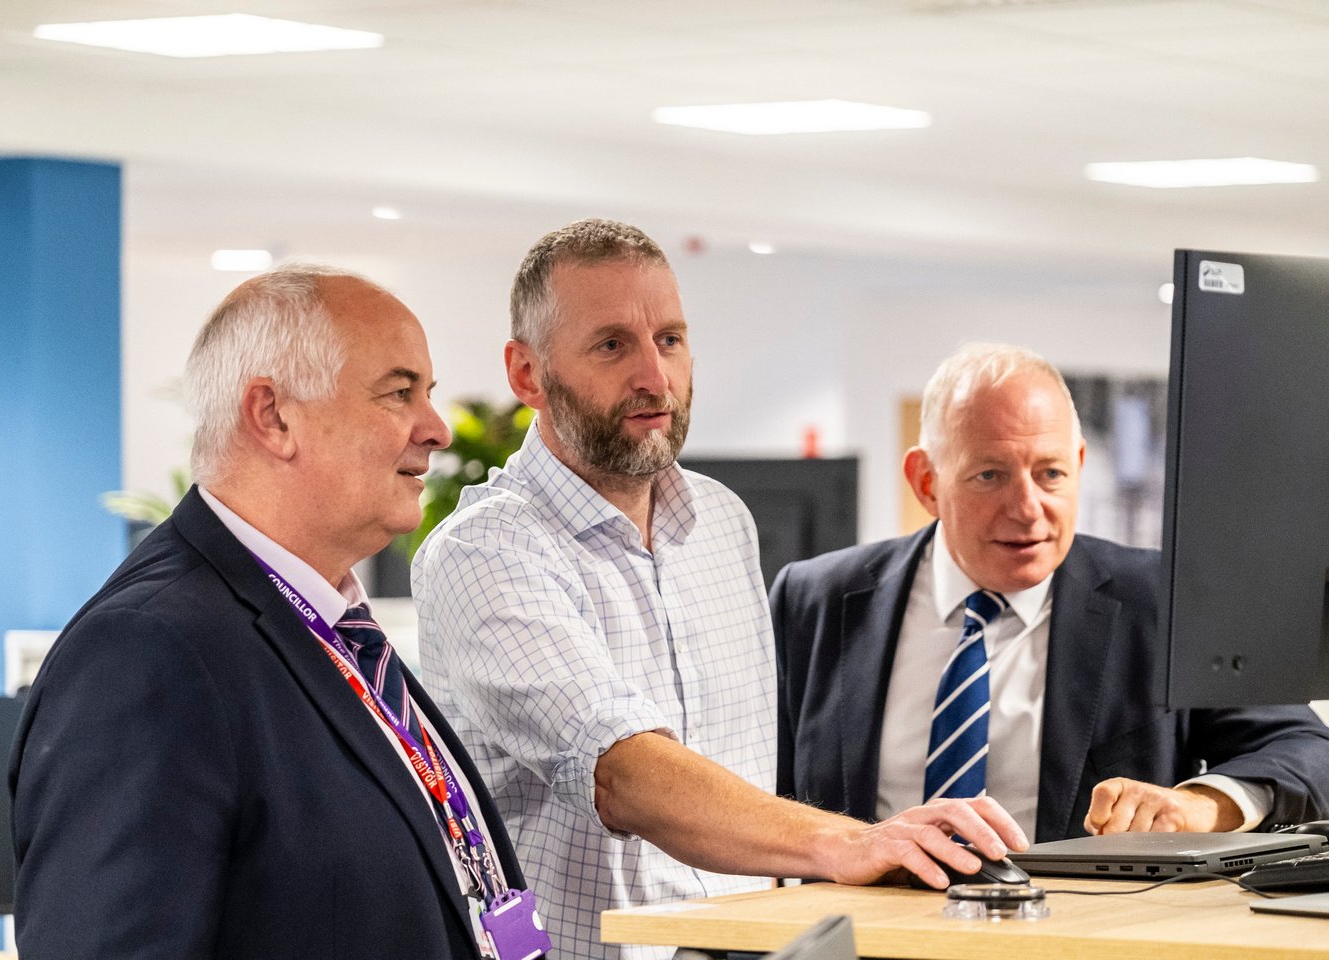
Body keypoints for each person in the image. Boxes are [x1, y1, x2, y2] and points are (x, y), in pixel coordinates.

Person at [412, 220, 1027, 960]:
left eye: (669, 339)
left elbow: (746, 772)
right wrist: (850, 842)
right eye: (612, 345)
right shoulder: (485, 552)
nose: (654, 376)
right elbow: (624, 773)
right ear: (527, 374)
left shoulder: (721, 523)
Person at [10, 267, 547, 960]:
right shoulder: (147, 653)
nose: (437, 429)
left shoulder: (335, 629)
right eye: (399, 392)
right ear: (273, 416)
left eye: (428, 394)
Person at [772, 341, 1329, 845]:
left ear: (1079, 465)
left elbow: (1321, 762)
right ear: (926, 481)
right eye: (990, 475)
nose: (1028, 508)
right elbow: (745, 795)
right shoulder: (817, 600)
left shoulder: (1162, 601)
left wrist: (1198, 807)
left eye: (1050, 473)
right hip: (865, 939)